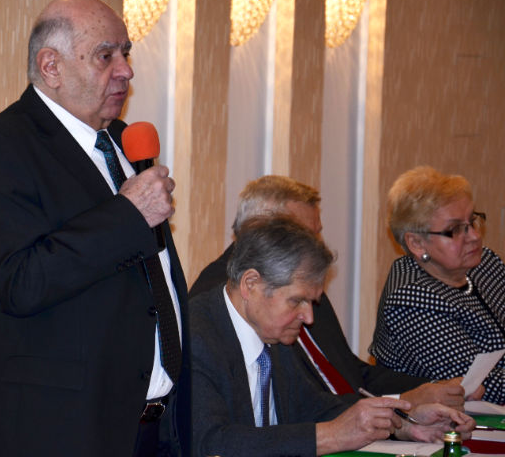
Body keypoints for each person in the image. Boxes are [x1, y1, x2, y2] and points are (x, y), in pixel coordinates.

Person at [0, 0, 188, 456]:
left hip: (154, 427)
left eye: (126, 53)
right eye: (105, 55)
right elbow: (20, 283)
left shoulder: (121, 140)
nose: (126, 71)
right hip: (63, 432)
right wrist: (128, 215)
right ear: (51, 67)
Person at [190, 216, 474, 457]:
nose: (309, 317)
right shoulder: (195, 335)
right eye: (297, 301)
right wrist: (330, 436)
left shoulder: (272, 331)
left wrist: (403, 423)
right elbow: (211, 443)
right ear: (251, 284)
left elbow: (313, 407)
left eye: (311, 302)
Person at [190, 175, 479, 409]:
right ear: (264, 232)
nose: (319, 245)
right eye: (306, 235)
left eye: (317, 233)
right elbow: (296, 407)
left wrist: (426, 389)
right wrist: (401, 403)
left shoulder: (301, 282)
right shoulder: (228, 300)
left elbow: (349, 371)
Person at [370, 166, 505, 404]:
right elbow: (474, 387)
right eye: (455, 230)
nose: (474, 236)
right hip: (451, 419)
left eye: (472, 221)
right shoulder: (411, 299)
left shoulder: (486, 263)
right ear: (416, 243)